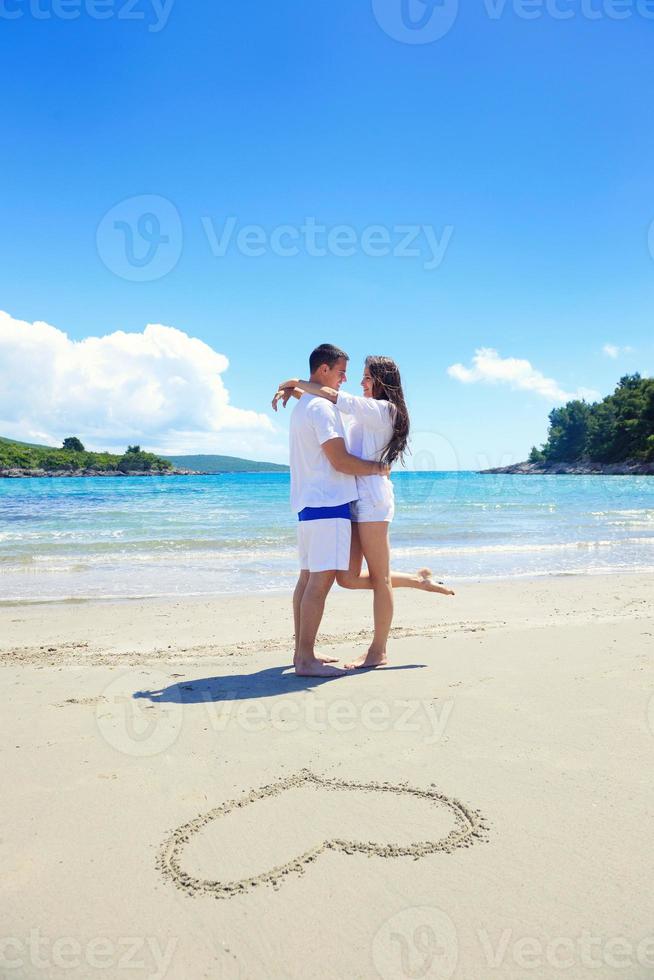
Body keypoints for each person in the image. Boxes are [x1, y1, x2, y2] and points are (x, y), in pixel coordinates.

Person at [274, 355, 455, 670]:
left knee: (379, 578)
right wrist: (301, 396)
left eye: (367, 377)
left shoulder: (385, 410)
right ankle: (417, 580)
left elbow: (331, 396)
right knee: (347, 577)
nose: (361, 382)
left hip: (372, 500)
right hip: (351, 500)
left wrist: (293, 382)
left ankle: (378, 651)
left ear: (382, 381)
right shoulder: (363, 414)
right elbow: (328, 412)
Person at [283, 344, 391, 677]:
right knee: (320, 583)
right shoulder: (321, 408)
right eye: (342, 372)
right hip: (328, 504)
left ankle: (303, 652)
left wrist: (293, 384)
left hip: (307, 504)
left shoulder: (303, 406)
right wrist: (377, 468)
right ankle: (305, 661)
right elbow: (340, 461)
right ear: (324, 370)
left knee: (306, 579)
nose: (345, 379)